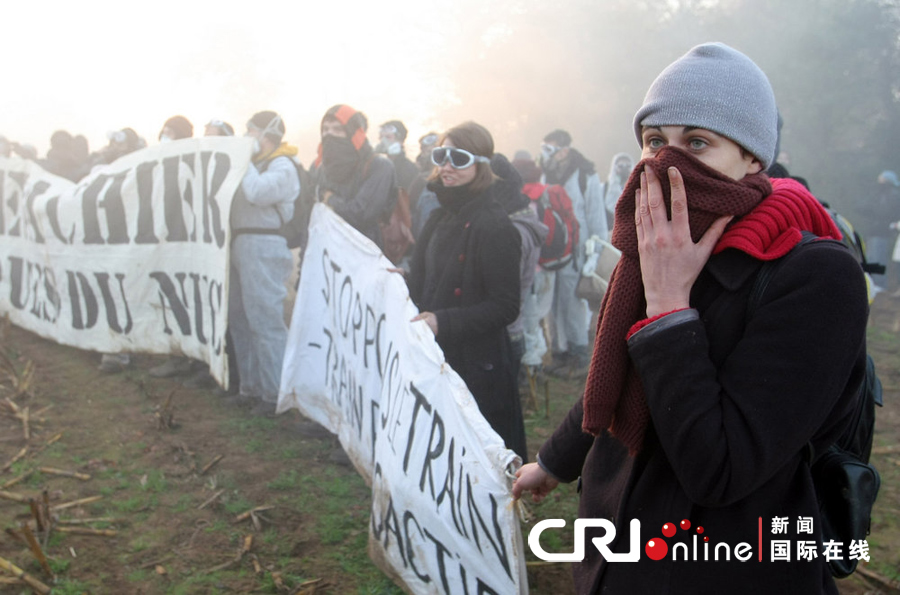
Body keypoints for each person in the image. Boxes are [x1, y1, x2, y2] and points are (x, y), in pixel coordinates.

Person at [513, 42, 868, 594]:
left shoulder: (816, 276)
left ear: (752, 157)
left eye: (697, 143)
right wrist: (555, 462)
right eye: (655, 141)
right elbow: (614, 372)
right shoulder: (651, 248)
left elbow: (722, 469)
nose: (666, 163)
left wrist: (670, 308)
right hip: (616, 546)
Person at [405, 122, 527, 461]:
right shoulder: (438, 216)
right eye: (441, 155)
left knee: (473, 461)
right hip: (436, 358)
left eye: (458, 158)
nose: (446, 165)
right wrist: (395, 277)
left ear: (481, 165)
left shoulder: (495, 226)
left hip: (478, 366)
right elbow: (422, 279)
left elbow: (505, 306)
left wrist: (443, 321)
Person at [228, 110, 300, 416]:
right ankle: (251, 386)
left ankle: (275, 393)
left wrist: (242, 160)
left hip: (264, 242)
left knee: (265, 320)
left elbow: (258, 193)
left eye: (252, 131)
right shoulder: (255, 165)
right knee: (240, 318)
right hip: (240, 242)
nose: (248, 137)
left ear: (267, 134)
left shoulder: (282, 165)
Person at [538, 129, 608, 379]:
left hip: (578, 251)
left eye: (550, 149)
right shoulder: (544, 173)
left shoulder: (585, 175)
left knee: (572, 303)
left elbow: (596, 217)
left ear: (564, 150)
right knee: (551, 304)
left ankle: (579, 356)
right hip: (551, 249)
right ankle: (559, 353)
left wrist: (595, 254)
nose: (545, 154)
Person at [312, 104, 396, 250]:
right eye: (325, 129)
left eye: (338, 129)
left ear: (352, 133)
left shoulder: (379, 166)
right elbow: (312, 218)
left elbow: (361, 214)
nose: (329, 134)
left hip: (363, 253)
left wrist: (330, 199)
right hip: (327, 251)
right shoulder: (322, 168)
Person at [858, 170, 900, 292]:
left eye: (882, 179)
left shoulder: (892, 195)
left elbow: (885, 211)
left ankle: (879, 284)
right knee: (871, 257)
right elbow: (865, 207)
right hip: (874, 231)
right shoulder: (879, 194)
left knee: (878, 257)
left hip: (882, 231)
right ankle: (874, 283)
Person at [375, 119, 419, 192]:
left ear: (401, 141)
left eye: (388, 137)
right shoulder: (378, 166)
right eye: (381, 137)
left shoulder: (409, 169)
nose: (383, 141)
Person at [603, 152, 635, 230]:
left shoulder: (638, 188)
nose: (624, 169)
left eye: (628, 166)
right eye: (620, 166)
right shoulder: (604, 188)